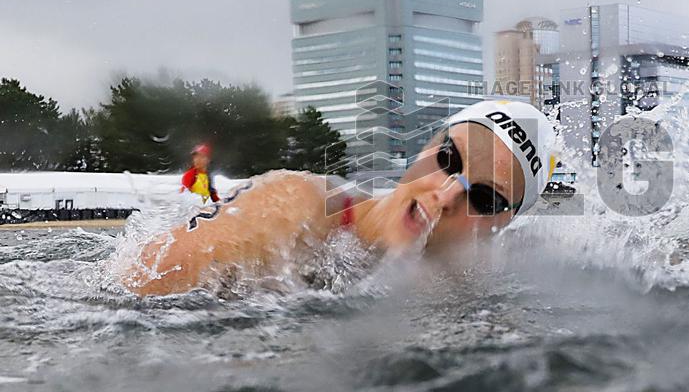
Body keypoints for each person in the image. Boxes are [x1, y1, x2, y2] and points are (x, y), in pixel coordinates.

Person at [123, 101, 557, 296]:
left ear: (500, 227)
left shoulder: (466, 279)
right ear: (425, 146)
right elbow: (133, 292)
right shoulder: (300, 210)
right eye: (448, 158)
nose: (445, 196)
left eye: (484, 198)